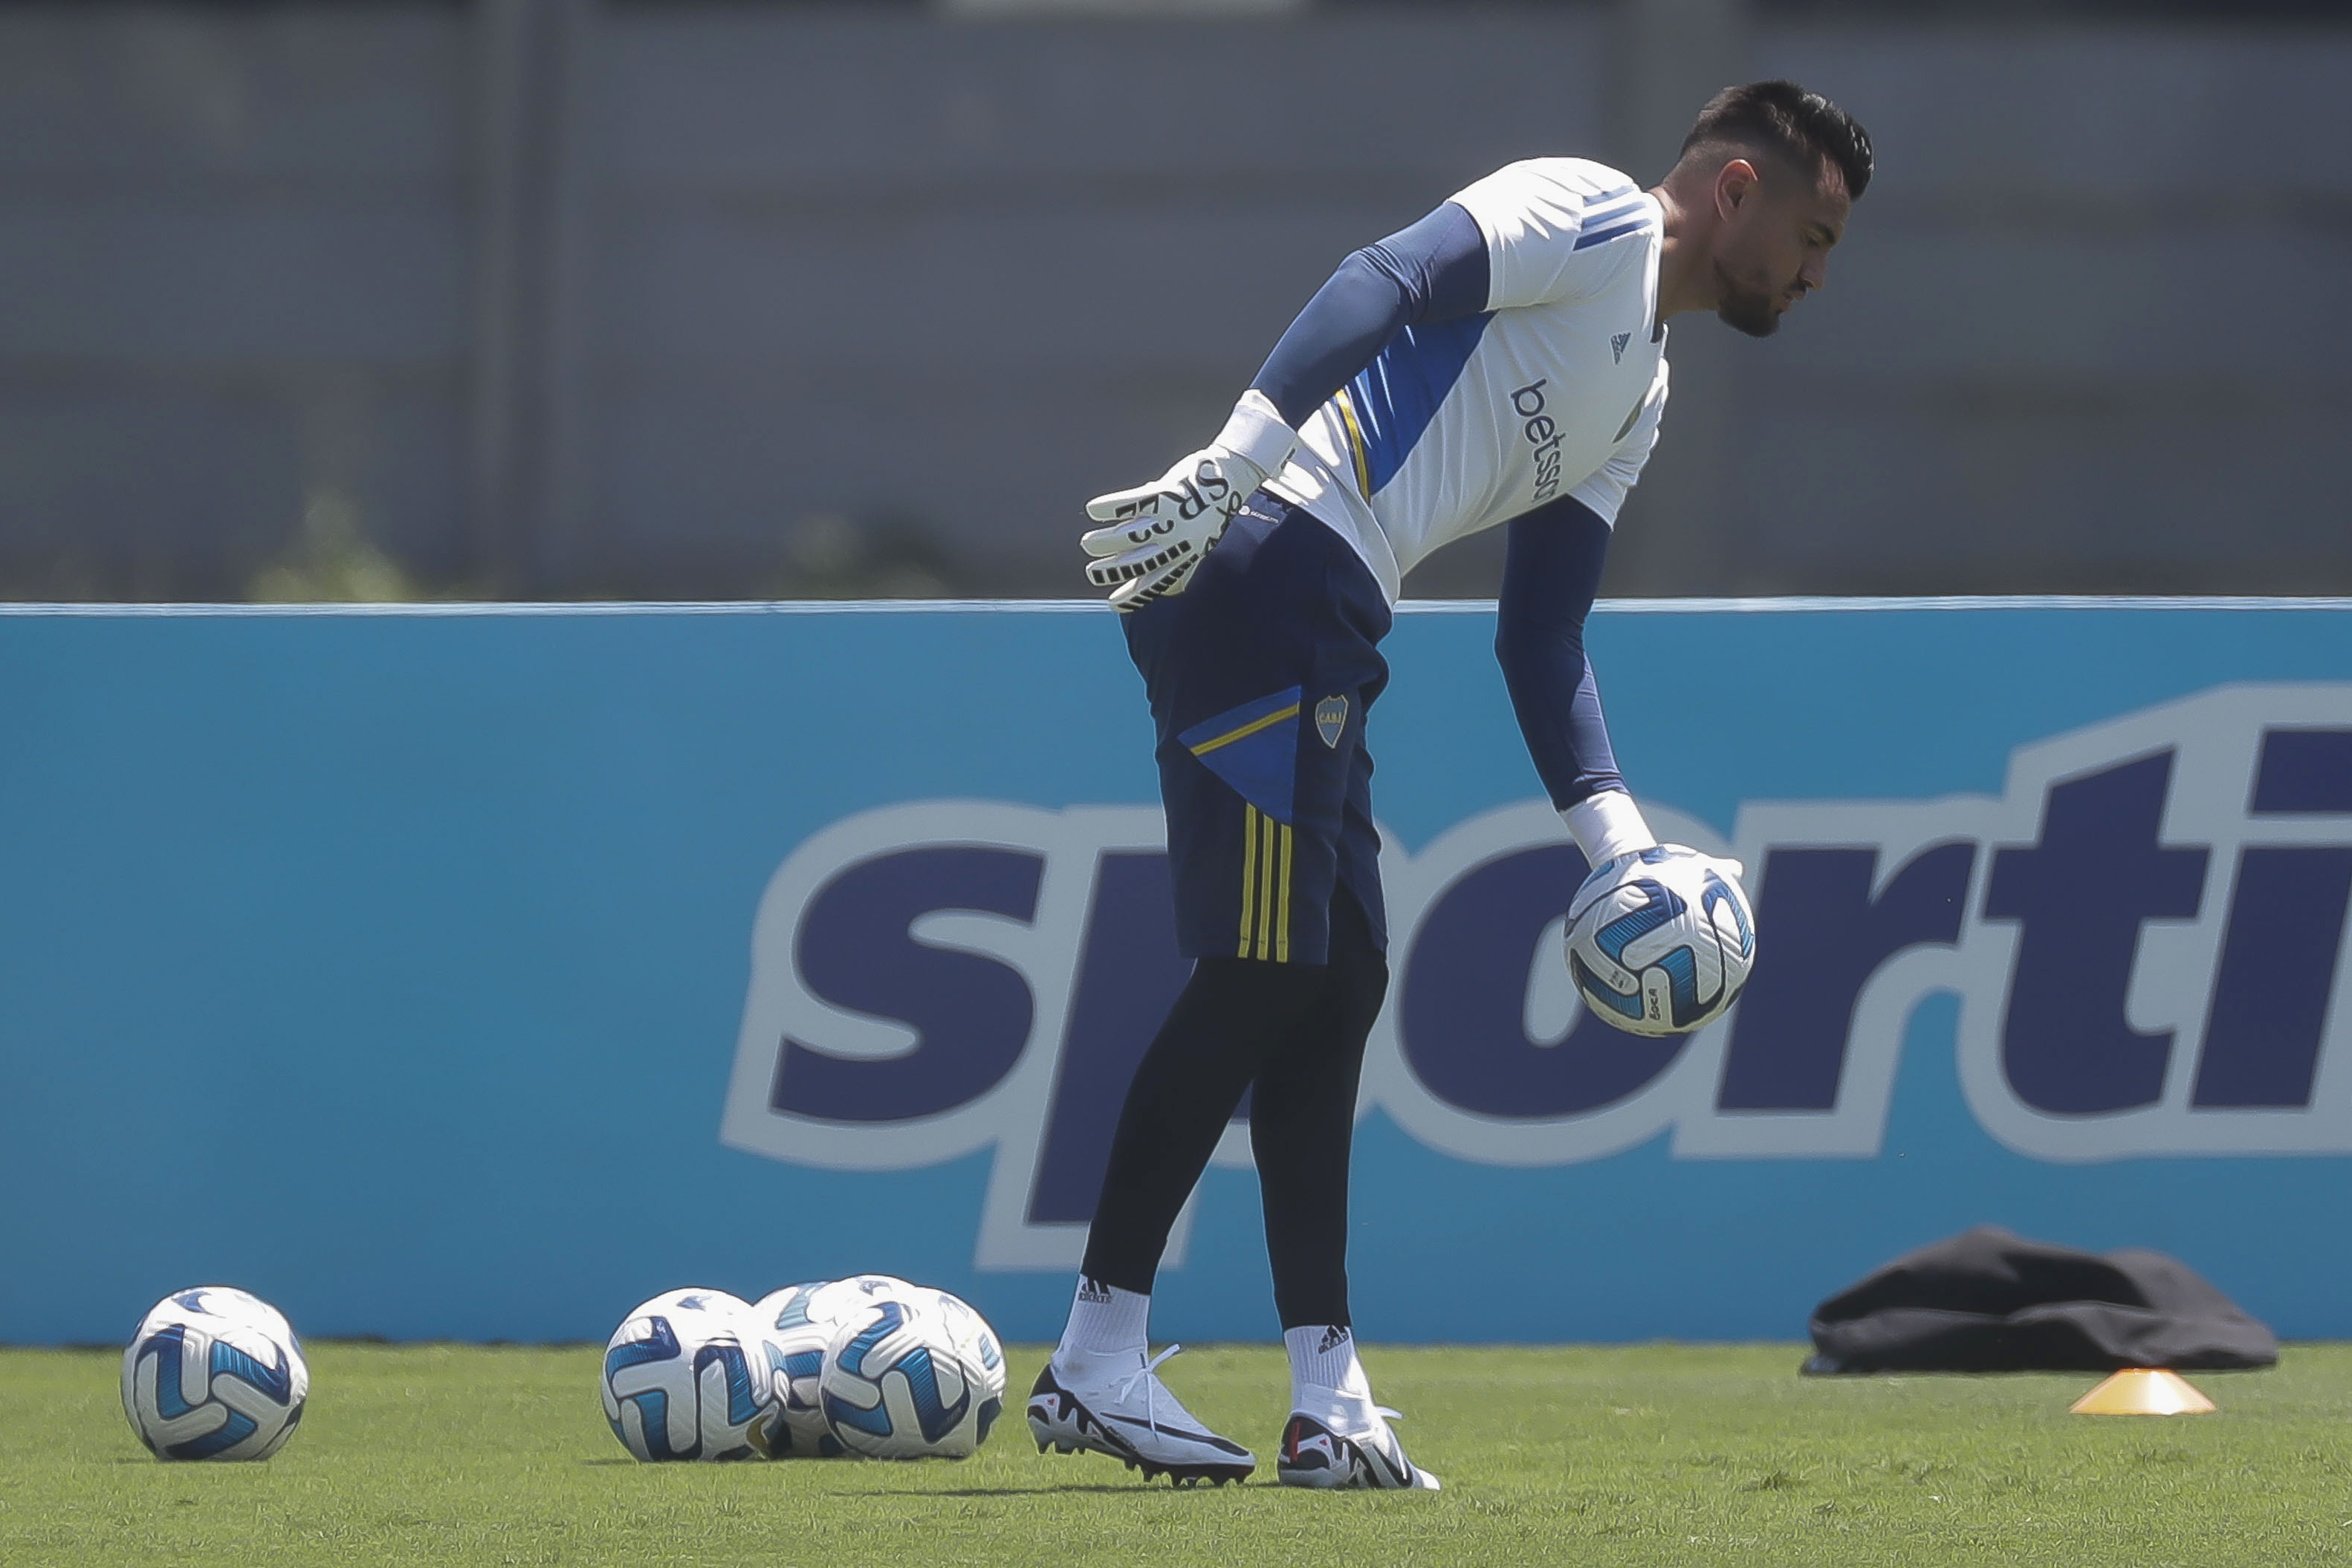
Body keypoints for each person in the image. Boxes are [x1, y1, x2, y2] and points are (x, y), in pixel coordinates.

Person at [1025, 81, 1873, 1491]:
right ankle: (1097, 1356)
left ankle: (1324, 1395)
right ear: (1735, 190)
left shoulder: (1642, 395)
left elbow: (1539, 635)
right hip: (1273, 552)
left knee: (1336, 969)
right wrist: (1238, 460)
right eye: (1813, 232)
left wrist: (1617, 846)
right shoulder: (1590, 210)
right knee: (1257, 968)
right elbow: (1388, 275)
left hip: (1329, 599)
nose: (1816, 274)